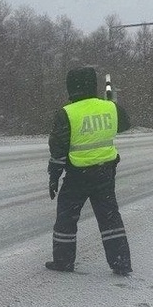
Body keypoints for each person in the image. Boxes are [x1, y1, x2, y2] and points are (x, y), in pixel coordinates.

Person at [46, 66, 132, 275]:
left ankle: (64, 261)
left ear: (71, 87)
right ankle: (120, 262)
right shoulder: (110, 107)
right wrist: (110, 104)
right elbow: (124, 125)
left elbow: (58, 148)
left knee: (66, 218)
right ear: (93, 85)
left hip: (77, 174)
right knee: (110, 217)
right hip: (105, 172)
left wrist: (54, 176)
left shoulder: (67, 113)